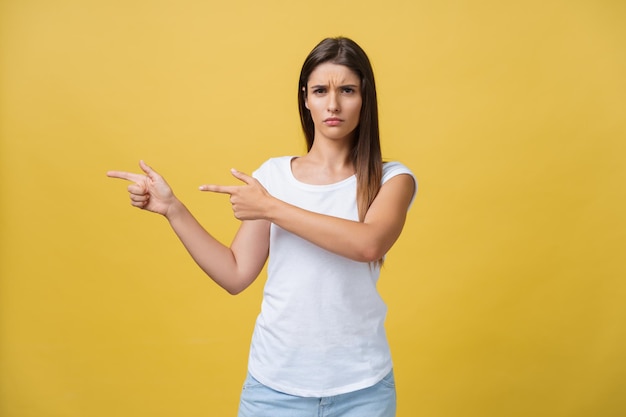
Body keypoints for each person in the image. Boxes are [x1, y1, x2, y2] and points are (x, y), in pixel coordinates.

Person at [107, 37, 417, 417]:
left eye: (347, 90)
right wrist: (173, 209)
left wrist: (270, 207)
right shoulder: (272, 176)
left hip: (363, 390)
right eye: (320, 91)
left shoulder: (392, 179)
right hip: (274, 388)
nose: (333, 104)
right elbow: (235, 274)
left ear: (364, 98)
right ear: (306, 98)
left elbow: (369, 245)